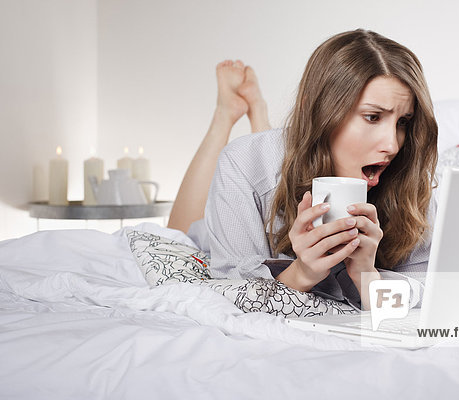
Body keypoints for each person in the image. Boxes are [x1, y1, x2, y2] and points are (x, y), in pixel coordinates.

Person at [169, 29, 438, 310]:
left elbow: (425, 298)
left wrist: (366, 276)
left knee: (278, 153)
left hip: (293, 152)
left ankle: (260, 115)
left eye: (403, 122)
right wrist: (302, 273)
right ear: (319, 108)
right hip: (215, 224)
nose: (392, 145)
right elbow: (234, 290)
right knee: (177, 233)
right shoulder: (244, 163)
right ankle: (225, 114)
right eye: (372, 117)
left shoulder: (416, 181)